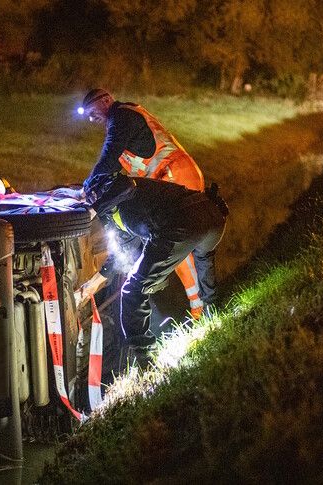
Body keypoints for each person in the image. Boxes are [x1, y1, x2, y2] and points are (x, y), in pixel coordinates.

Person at [57, 88, 209, 319]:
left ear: (106, 100)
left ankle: (200, 309)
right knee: (176, 243)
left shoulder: (122, 117)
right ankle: (200, 305)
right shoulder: (121, 123)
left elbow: (109, 156)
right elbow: (112, 166)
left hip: (176, 175)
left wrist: (86, 189)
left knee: (177, 242)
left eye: (91, 112)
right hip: (167, 179)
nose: (90, 119)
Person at [77, 172, 228, 365]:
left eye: (87, 198)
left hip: (182, 222)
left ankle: (145, 358)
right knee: (204, 260)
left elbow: (125, 186)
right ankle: (213, 312)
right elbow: (120, 255)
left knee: (132, 289)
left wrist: (91, 209)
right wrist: (92, 284)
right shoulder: (120, 215)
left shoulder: (117, 187)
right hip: (211, 215)